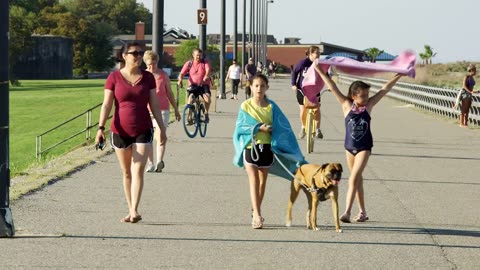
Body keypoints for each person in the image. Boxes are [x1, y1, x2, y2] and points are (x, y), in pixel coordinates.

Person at [313, 63, 403, 223]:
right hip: (349, 147)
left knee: (354, 177)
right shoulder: (346, 105)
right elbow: (332, 85)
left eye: (367, 95)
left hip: (364, 147)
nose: (366, 98)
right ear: (353, 96)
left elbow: (384, 90)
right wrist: (319, 69)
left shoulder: (368, 106)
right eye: (363, 96)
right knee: (358, 180)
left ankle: (347, 212)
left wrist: (399, 75)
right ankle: (362, 212)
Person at [96, 42, 167, 223]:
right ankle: (129, 208)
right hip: (120, 130)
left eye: (140, 53)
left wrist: (161, 128)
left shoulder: (148, 78)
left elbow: (155, 104)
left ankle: (134, 210)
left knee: (139, 169)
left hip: (143, 128)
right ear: (124, 56)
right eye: (134, 53)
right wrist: (100, 128)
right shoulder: (114, 78)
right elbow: (106, 104)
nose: (138, 56)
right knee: (126, 172)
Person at [233, 73, 304, 229]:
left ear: (267, 88)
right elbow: (241, 127)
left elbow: (283, 127)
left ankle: (256, 207)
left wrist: (273, 131)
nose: (259, 89)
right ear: (250, 87)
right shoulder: (245, 106)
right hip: (250, 147)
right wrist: (259, 127)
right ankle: (257, 216)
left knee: (263, 181)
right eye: (256, 85)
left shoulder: (272, 107)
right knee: (254, 180)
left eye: (262, 86)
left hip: (267, 148)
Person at [143, 50, 181, 173]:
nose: (151, 67)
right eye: (149, 64)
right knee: (147, 138)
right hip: (146, 111)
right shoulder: (142, 76)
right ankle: (151, 163)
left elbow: (169, 93)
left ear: (157, 62)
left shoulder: (163, 75)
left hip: (162, 110)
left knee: (160, 135)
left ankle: (159, 161)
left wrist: (175, 109)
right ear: (145, 63)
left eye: (153, 64)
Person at [291, 45, 323, 139]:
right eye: (316, 53)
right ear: (310, 54)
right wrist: (293, 84)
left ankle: (318, 129)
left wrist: (329, 85)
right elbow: (295, 72)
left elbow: (326, 75)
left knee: (316, 110)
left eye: (319, 53)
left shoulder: (319, 64)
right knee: (303, 109)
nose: (318, 56)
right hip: (302, 89)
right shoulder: (303, 63)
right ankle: (303, 127)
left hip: (314, 89)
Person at [177, 48, 212, 123]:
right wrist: (180, 80)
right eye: (197, 55)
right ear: (193, 55)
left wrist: (206, 76)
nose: (198, 57)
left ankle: (206, 113)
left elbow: (208, 70)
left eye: (200, 55)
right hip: (193, 85)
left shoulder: (204, 62)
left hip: (203, 84)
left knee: (207, 99)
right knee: (190, 99)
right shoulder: (189, 63)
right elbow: (182, 73)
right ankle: (189, 117)